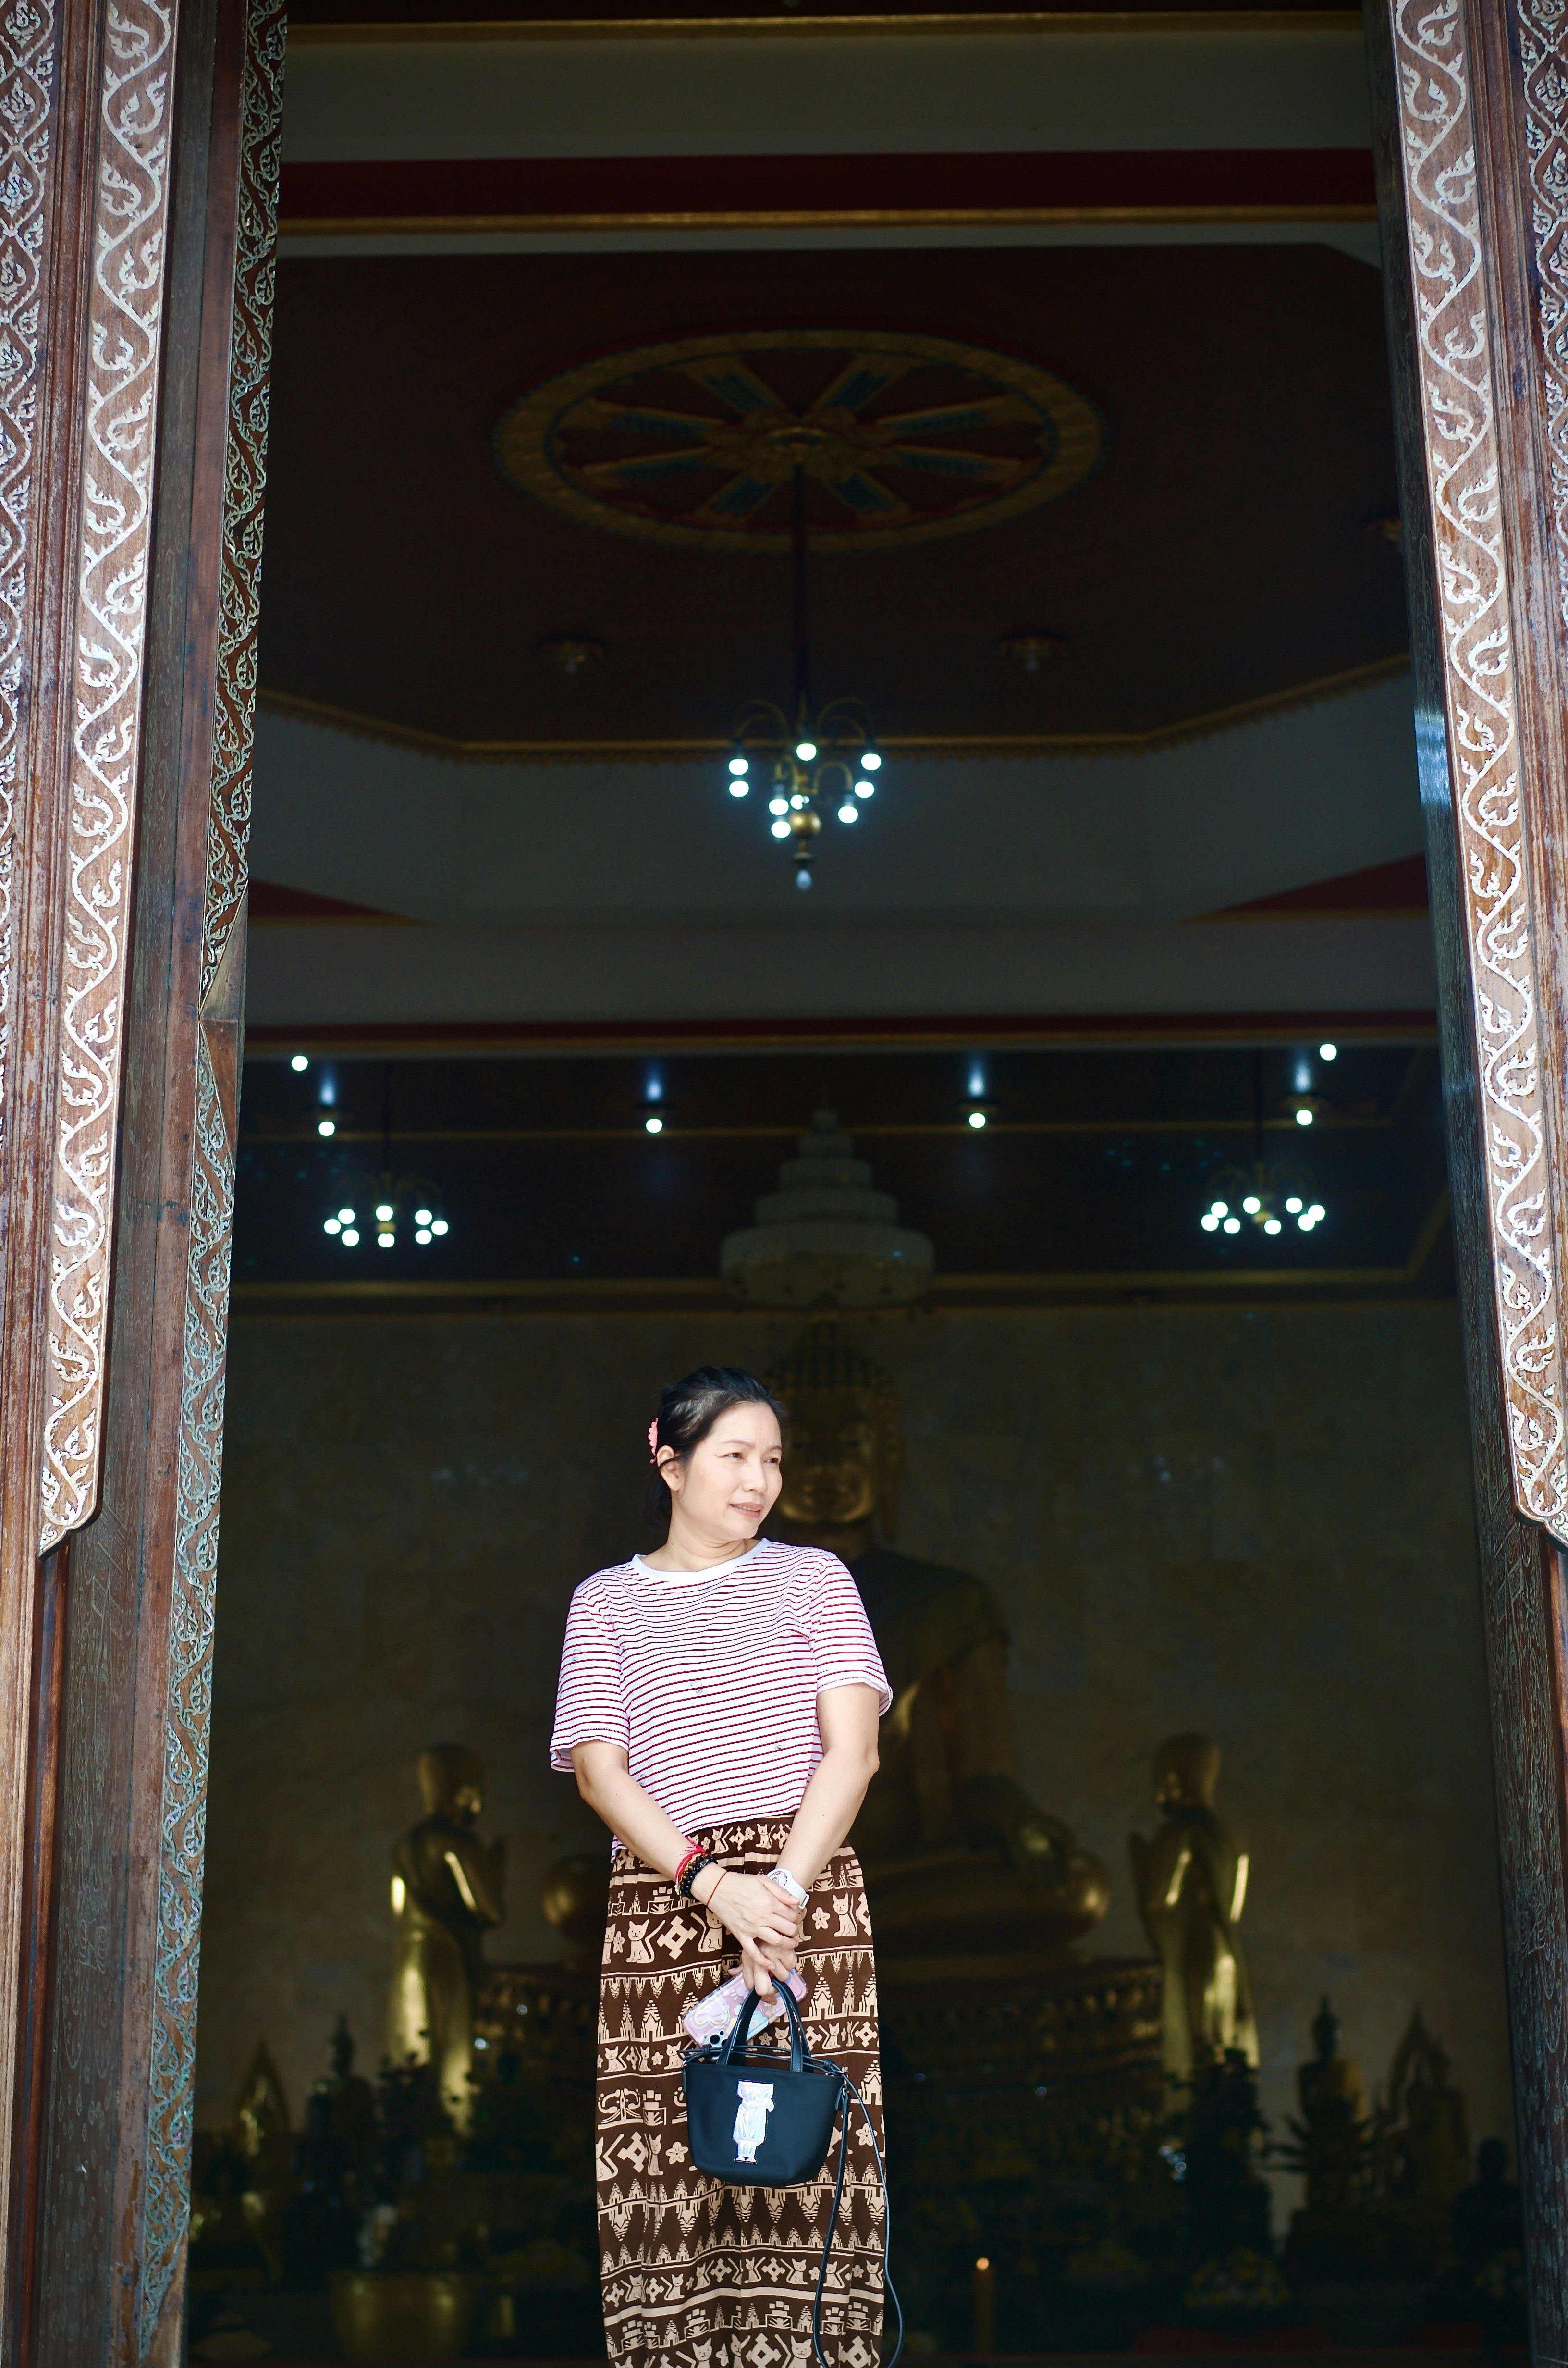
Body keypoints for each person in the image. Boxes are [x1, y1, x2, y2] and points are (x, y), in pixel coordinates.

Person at [550, 1366, 891, 2368]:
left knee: (804, 2169)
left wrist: (777, 1897)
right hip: (665, 1903)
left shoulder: (815, 1578)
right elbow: (600, 1773)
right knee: (666, 2182)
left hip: (804, 1892)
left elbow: (854, 1754)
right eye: (735, 1455)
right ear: (668, 1459)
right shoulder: (605, 1601)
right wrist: (713, 1886)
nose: (759, 1481)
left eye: (772, 1460)